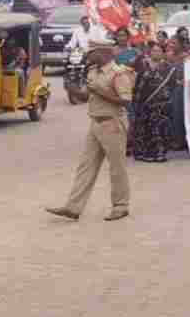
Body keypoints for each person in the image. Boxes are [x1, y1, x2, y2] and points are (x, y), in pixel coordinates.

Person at [46, 45, 135, 221]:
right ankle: (73, 207)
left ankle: (121, 206)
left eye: (91, 52)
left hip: (113, 123)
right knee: (86, 167)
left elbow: (125, 101)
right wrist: (72, 89)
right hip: (95, 123)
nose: (88, 55)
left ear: (103, 53)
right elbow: (86, 96)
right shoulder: (93, 71)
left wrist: (99, 92)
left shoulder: (119, 73)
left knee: (117, 168)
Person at [132, 42, 179, 163]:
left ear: (162, 53)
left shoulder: (168, 68)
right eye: (154, 51)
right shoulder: (142, 65)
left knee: (160, 129)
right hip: (144, 103)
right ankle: (144, 153)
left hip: (161, 105)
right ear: (149, 52)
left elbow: (173, 85)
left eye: (159, 51)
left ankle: (159, 153)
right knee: (144, 128)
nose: (156, 53)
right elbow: (137, 85)